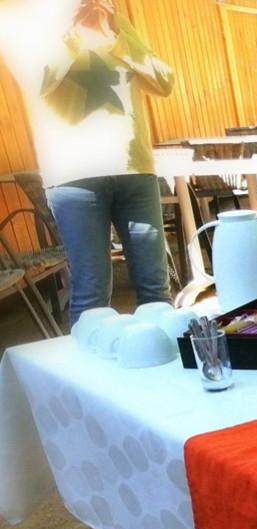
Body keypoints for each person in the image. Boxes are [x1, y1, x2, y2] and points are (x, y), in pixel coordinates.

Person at [0, 0, 175, 325]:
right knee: (92, 295)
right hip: (74, 177)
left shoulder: (116, 22)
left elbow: (164, 82)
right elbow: (39, 81)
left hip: (135, 170)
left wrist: (117, 34)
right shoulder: (20, 22)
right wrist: (70, 25)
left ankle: (164, 354)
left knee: (156, 288)